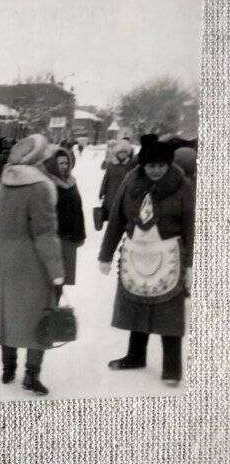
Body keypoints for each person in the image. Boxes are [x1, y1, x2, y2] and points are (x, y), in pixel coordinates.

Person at [98, 139, 195, 386]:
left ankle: (172, 367)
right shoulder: (131, 181)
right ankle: (135, 356)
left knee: (169, 313)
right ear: (143, 165)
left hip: (169, 254)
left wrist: (192, 265)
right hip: (135, 252)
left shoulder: (182, 186)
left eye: (161, 165)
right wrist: (106, 255)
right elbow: (117, 218)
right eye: (151, 165)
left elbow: (191, 227)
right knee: (136, 303)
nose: (156, 170)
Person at [0, 134, 65, 396]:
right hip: (34, 266)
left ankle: (7, 367)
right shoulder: (40, 187)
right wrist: (57, 273)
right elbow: (45, 234)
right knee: (40, 316)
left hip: (6, 263)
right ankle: (31, 375)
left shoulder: (3, 184)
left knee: (8, 313)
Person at [42, 145, 86, 286]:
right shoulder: (47, 183)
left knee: (64, 278)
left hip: (70, 238)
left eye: (66, 163)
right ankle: (50, 305)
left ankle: (55, 305)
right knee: (52, 278)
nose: (64, 166)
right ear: (54, 164)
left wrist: (80, 233)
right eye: (61, 163)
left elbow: (78, 210)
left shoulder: (72, 182)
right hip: (54, 237)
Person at [98, 138, 134, 227]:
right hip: (111, 193)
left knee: (123, 213)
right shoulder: (111, 164)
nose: (123, 154)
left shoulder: (131, 165)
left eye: (125, 152)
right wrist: (102, 192)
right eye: (121, 152)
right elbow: (106, 178)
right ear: (117, 152)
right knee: (112, 213)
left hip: (125, 194)